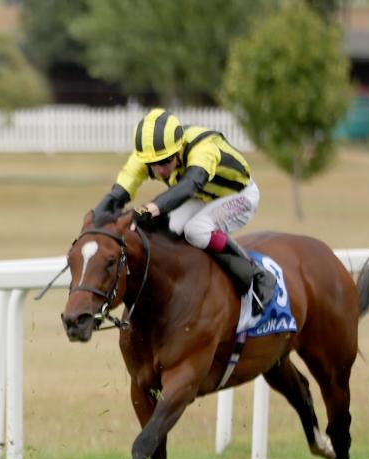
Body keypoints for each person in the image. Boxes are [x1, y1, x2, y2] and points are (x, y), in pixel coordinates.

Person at [93, 107, 276, 314]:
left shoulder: (204, 148)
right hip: (202, 197)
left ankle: (256, 274)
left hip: (239, 197)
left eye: (165, 161)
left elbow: (190, 184)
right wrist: (95, 220)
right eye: (152, 164)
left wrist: (148, 209)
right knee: (168, 228)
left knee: (195, 230)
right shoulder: (148, 154)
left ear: (178, 149)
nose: (160, 170)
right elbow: (118, 193)